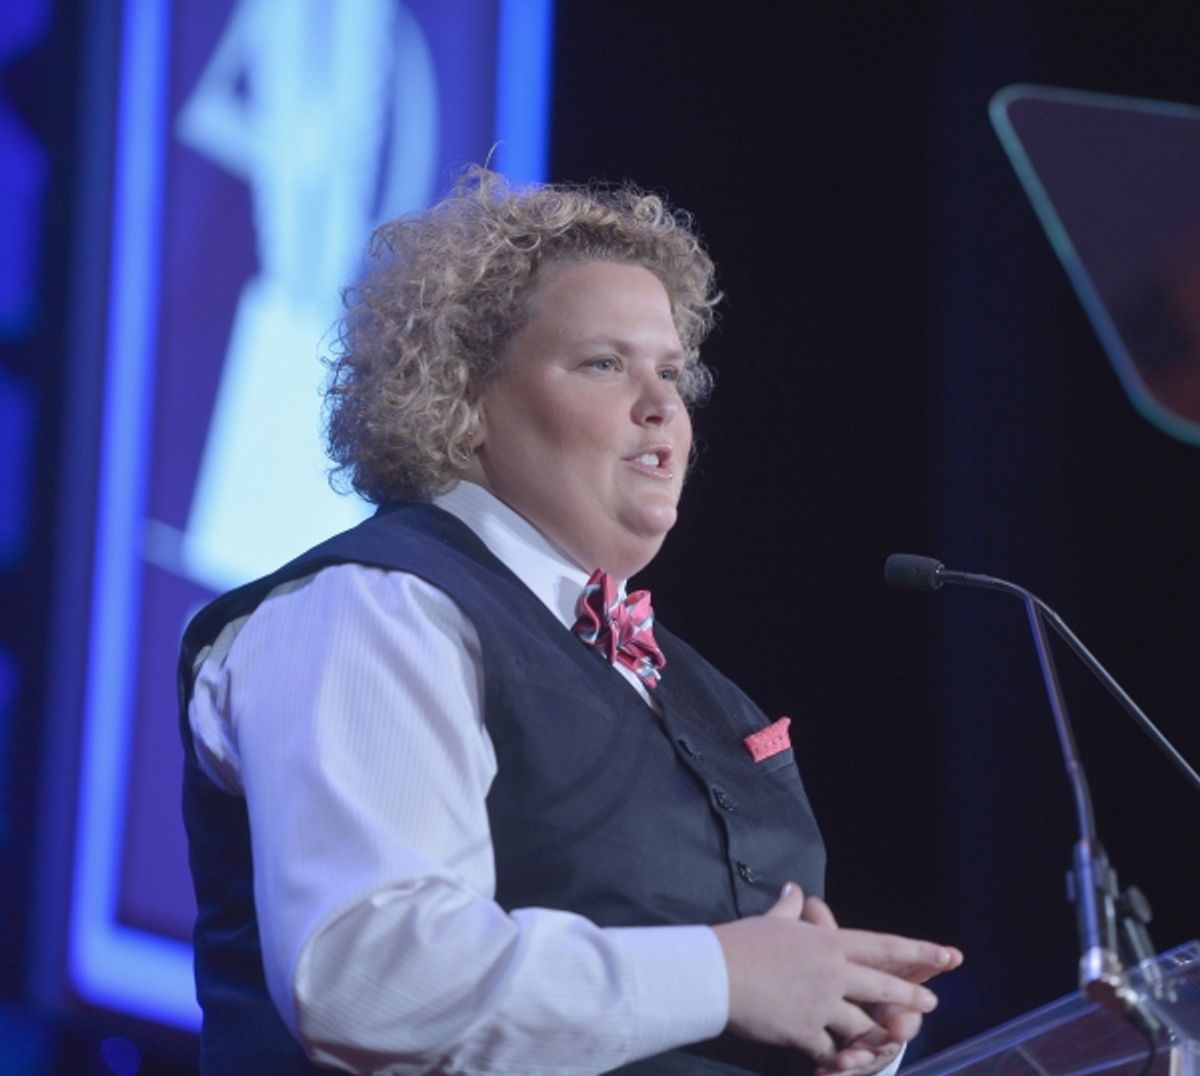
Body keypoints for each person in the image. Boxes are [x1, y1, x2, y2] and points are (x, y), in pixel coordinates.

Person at [180, 167, 962, 1075]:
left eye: (671, 371)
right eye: (604, 364)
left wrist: (839, 1032)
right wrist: (723, 977)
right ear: (462, 403)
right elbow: (370, 977)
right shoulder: (375, 609)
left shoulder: (701, 694)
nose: (662, 404)